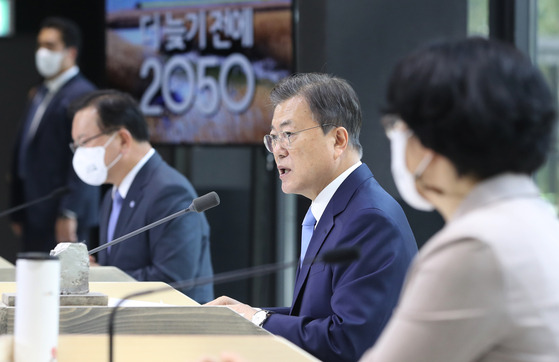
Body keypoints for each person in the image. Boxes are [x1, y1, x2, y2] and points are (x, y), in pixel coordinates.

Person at [360, 37, 559, 361]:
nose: (396, 142)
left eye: (399, 128)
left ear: (432, 141)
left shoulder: (475, 247)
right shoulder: (538, 221)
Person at [206, 73, 418, 362]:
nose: (278, 150)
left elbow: (348, 341)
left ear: (338, 140)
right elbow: (316, 317)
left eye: (289, 135)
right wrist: (250, 316)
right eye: (274, 137)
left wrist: (259, 320)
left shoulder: (369, 220)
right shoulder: (338, 208)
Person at [70, 89, 214, 303]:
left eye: (84, 142)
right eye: (75, 145)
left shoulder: (170, 192)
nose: (78, 153)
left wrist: (101, 276)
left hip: (173, 330)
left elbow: (171, 282)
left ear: (122, 140)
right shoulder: (111, 196)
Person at [10, 16, 99, 252]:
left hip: (61, 215)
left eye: (50, 46)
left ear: (70, 52)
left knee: (61, 286)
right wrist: (18, 206)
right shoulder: (40, 91)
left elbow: (86, 158)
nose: (42, 52)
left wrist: (70, 211)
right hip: (34, 210)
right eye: (40, 45)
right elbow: (26, 150)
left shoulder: (84, 95)